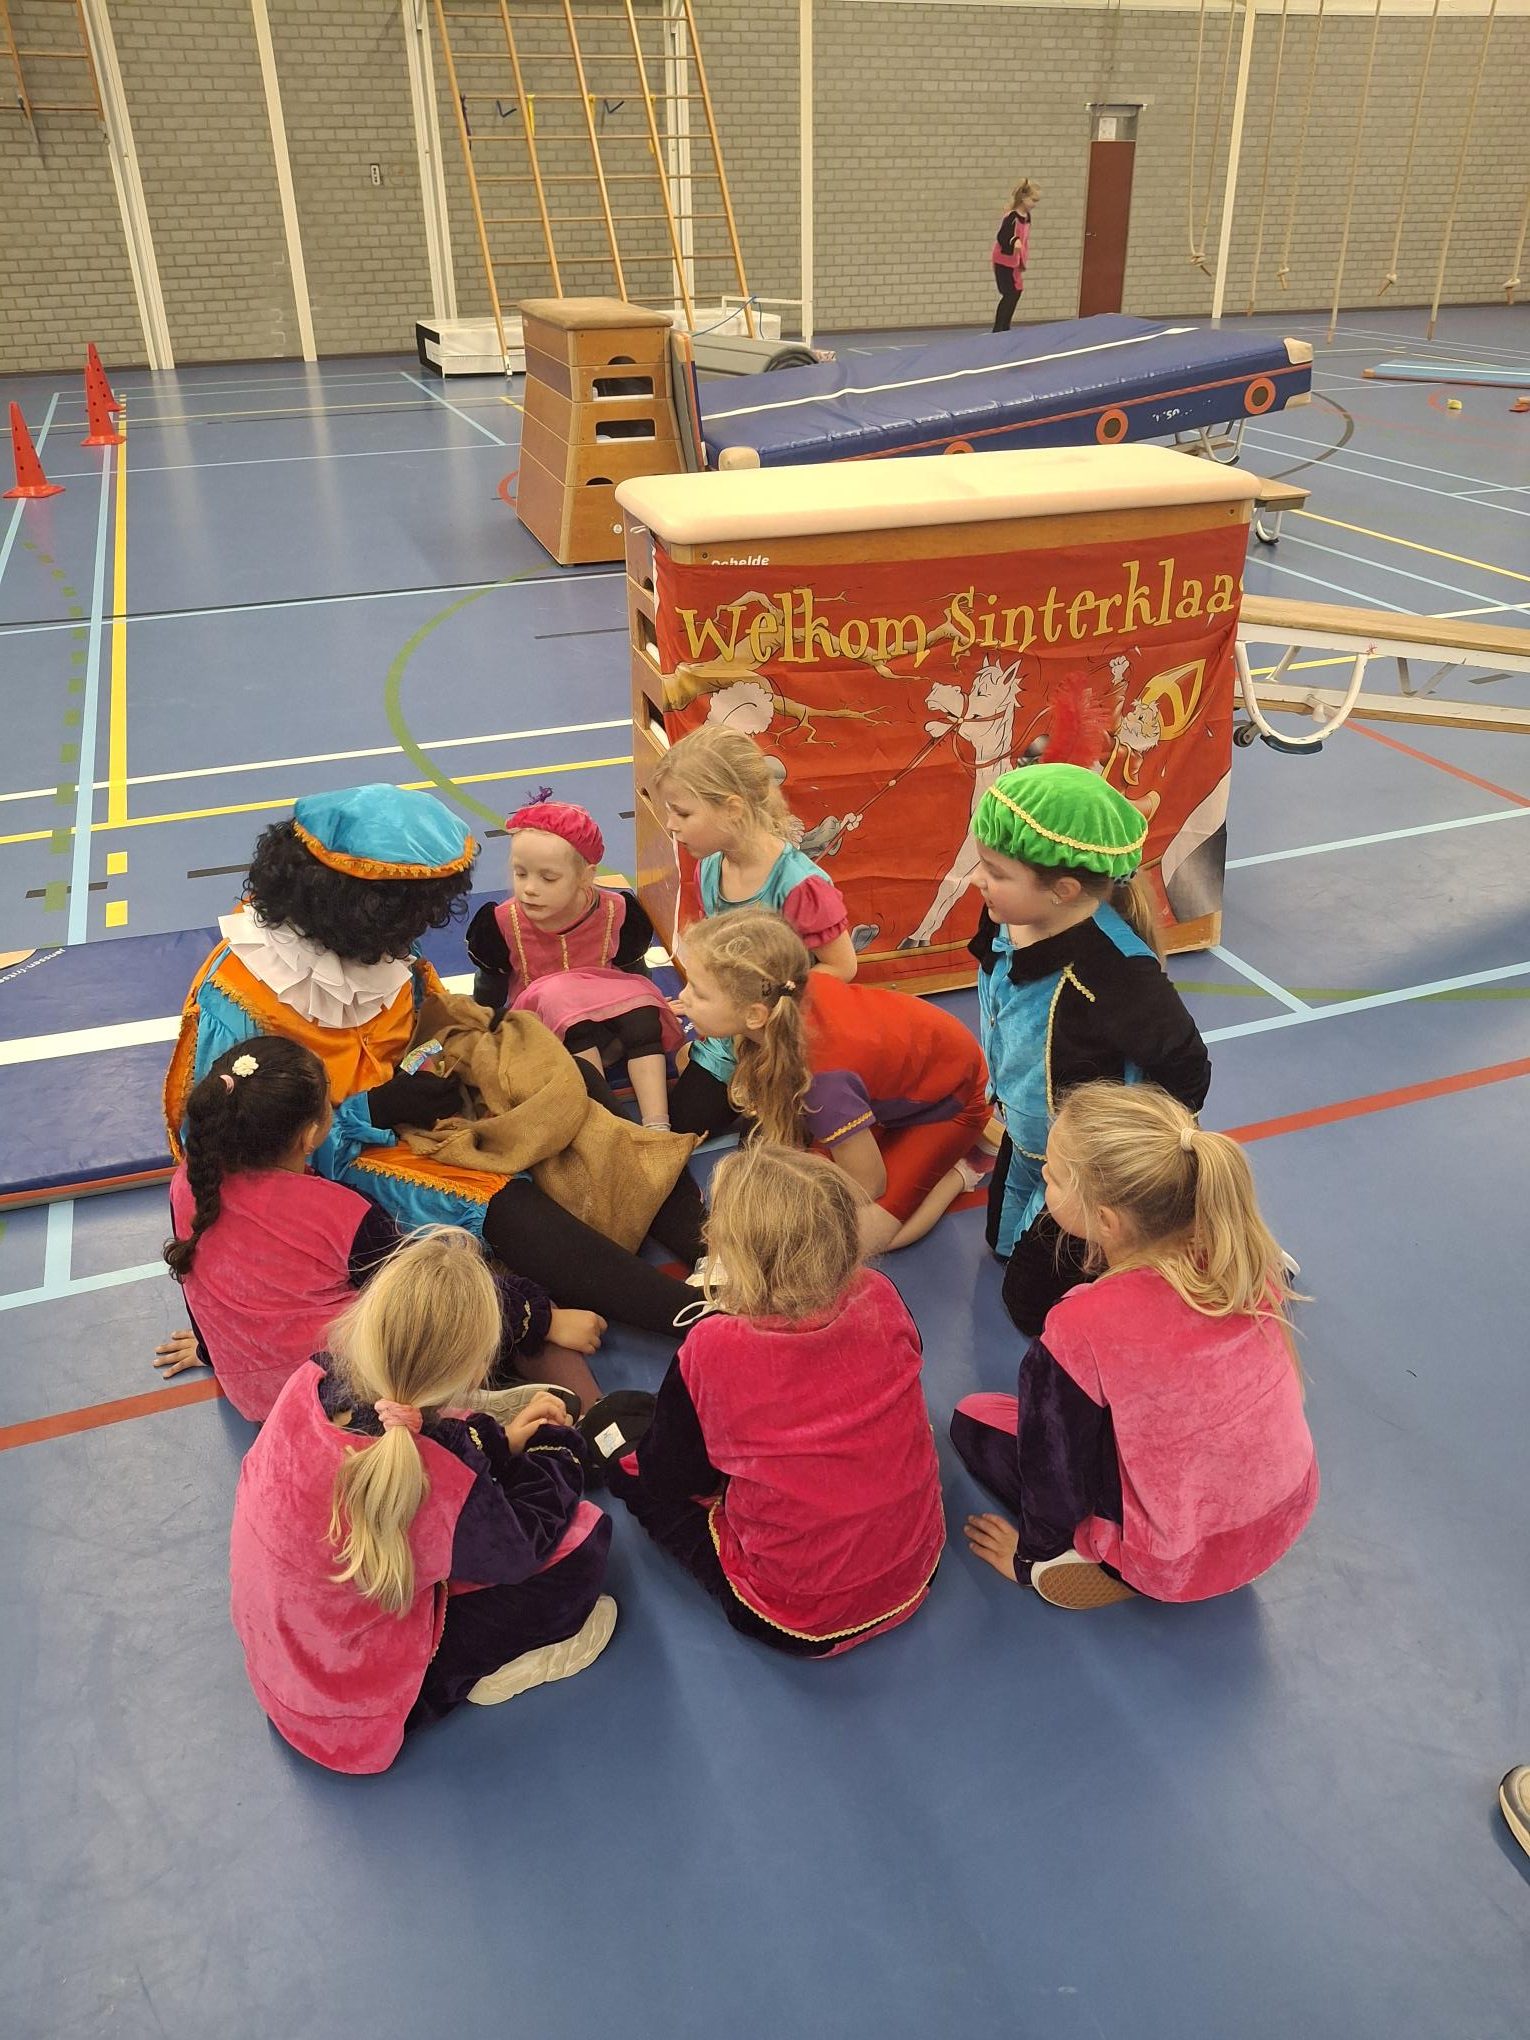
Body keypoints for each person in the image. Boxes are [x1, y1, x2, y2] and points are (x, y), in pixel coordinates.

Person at [163, 785, 704, 1343]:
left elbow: (432, 1020)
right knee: (497, 1200)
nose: (415, 930)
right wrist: (372, 1110)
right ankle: (692, 1315)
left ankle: (716, 1250)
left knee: (570, 1084)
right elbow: (238, 1143)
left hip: (421, 1104)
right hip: (337, 1154)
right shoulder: (240, 994)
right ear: (354, 903)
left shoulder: (381, 948)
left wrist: (461, 1059)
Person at [229, 1227, 615, 1775]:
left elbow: (423, 1450)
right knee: (584, 1547)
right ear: (474, 1372)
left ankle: (482, 1430)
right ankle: (491, 1668)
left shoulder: (309, 1380)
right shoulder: (431, 1476)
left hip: (285, 1669)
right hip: (357, 1709)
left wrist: (498, 1442)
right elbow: (521, 1544)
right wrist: (557, 1449)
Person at [953, 1081, 1318, 1609]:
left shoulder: (1082, 1324)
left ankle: (1095, 1556)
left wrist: (1031, 1554)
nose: (1044, 1176)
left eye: (1053, 1176)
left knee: (974, 1418)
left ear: (1105, 1220)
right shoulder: (1243, 1258)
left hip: (1175, 1561)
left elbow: (1052, 1469)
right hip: (1284, 1513)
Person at [604, 1142, 944, 1655]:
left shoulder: (711, 1347)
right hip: (915, 1571)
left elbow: (673, 1478)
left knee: (620, 1444)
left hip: (798, 1617)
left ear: (733, 1255)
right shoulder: (880, 1293)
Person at [154, 1037, 604, 1418]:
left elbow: (198, 1280)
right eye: (330, 1102)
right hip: (351, 1397)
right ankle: (589, 1422)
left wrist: (211, 1349)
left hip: (257, 1398)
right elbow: (432, 1294)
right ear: (311, 1136)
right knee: (498, 1288)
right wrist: (544, 1318)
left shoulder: (190, 1182)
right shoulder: (339, 1212)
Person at [969, 760, 1210, 1335]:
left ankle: (1178, 1246)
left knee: (1029, 1310)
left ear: (1064, 890)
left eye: (995, 872)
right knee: (999, 1243)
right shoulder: (1011, 915)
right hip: (1027, 1134)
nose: (978, 881)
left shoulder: (1116, 976)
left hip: (1084, 1164)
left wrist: (1123, 1156)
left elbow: (1187, 1070)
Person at [676, 909, 990, 1256]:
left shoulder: (822, 1082)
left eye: (699, 993)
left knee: (862, 1239)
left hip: (954, 1101)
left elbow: (869, 1184)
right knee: (806, 1181)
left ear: (754, 1015)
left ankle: (962, 1170)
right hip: (910, 1079)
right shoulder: (785, 997)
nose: (683, 998)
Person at [653, 725, 855, 1140]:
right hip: (733, 1033)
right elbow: (719, 957)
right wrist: (703, 999)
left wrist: (760, 1002)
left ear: (732, 808)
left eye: (683, 813)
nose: (671, 824)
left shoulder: (799, 885)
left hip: (783, 1038)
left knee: (766, 1144)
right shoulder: (711, 868)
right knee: (684, 1124)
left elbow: (842, 967)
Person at [465, 790, 680, 1131]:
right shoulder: (501, 923)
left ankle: (658, 1124)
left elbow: (633, 972)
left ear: (585, 876)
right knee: (575, 1023)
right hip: (545, 1019)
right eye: (520, 874)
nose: (529, 888)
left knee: (643, 1021)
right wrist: (483, 1027)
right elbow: (489, 985)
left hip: (604, 1006)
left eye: (548, 878)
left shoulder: (617, 911)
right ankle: (609, 1124)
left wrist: (652, 1001)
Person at [992, 179, 1039, 333]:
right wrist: (1014, 241)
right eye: (1033, 200)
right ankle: (999, 329)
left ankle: (1005, 327)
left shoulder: (1027, 217)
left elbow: (1025, 239)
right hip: (1003, 261)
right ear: (1023, 198)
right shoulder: (1012, 217)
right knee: (1010, 293)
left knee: (1016, 291)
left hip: (1015, 262)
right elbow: (1002, 236)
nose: (1035, 204)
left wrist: (1022, 259)